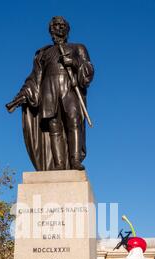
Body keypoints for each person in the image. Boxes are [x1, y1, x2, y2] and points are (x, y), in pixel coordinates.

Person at [6, 16, 94, 171]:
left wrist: (74, 62)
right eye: (55, 25)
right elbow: (35, 78)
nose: (59, 28)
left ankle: (75, 161)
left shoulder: (78, 48)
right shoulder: (43, 53)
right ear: (51, 30)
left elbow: (88, 68)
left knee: (74, 120)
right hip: (48, 89)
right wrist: (23, 94)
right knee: (54, 126)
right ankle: (59, 164)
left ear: (67, 29)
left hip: (70, 87)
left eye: (62, 25)